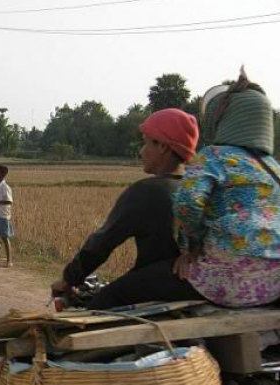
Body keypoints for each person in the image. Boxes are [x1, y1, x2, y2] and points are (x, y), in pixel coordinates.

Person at [51, 108, 201, 309]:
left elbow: (103, 242)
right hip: (200, 282)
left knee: (101, 303)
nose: (141, 152)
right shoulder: (198, 187)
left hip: (164, 281)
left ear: (163, 146)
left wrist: (69, 279)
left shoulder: (148, 192)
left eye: (146, 143)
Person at [171, 69, 280, 308]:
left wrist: (190, 247)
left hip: (227, 280)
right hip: (273, 283)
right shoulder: (273, 167)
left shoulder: (212, 156)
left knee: (126, 290)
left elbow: (188, 204)